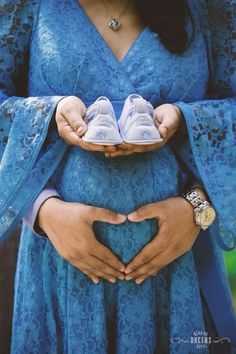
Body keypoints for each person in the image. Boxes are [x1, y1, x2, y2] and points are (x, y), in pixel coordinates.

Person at [0, 0, 235, 353]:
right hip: (59, 273)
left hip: (180, 273)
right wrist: (43, 212)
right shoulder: (25, 6)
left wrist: (198, 209)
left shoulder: (210, 8)